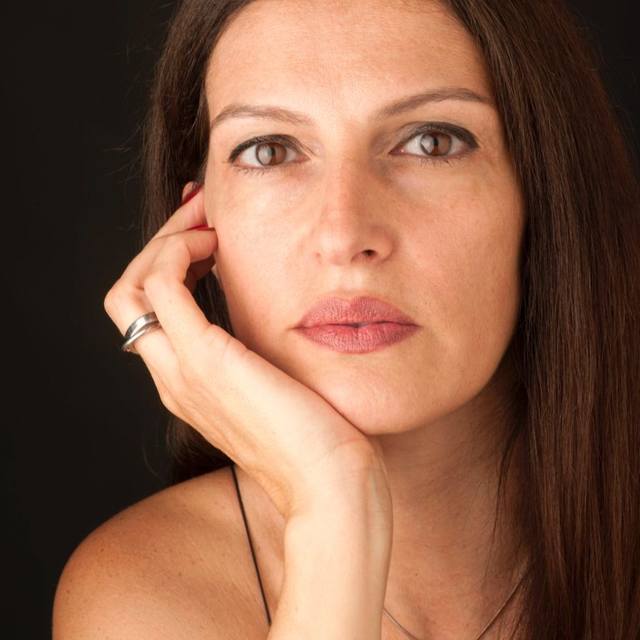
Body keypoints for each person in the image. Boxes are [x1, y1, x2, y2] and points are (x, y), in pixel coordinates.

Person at [52, 0, 640, 638]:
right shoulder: (143, 599)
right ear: (199, 228)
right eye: (270, 151)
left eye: (431, 142)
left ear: (543, 197)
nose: (344, 234)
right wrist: (332, 506)